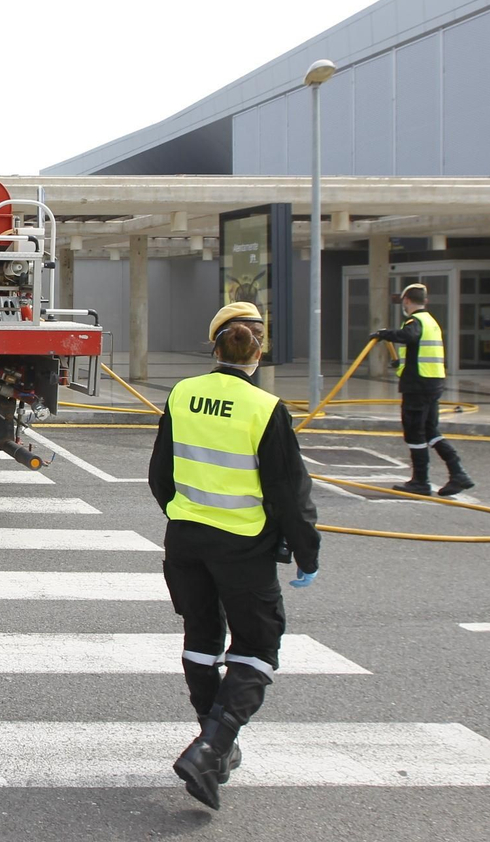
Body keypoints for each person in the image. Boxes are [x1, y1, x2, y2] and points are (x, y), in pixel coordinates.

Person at [148, 301, 321, 811]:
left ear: (213, 345)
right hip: (243, 547)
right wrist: (305, 553)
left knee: (201, 639)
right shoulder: (266, 409)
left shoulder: (182, 393)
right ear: (259, 349)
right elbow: (289, 493)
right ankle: (212, 747)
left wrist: (185, 513)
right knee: (257, 646)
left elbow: (161, 476)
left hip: (185, 540)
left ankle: (212, 743)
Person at [371, 283, 475, 497]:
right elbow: (417, 350)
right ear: (425, 301)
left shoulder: (415, 321)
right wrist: (400, 365)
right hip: (432, 383)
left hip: (418, 386)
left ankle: (420, 481)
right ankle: (458, 473)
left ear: (407, 301)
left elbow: (409, 335)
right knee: (430, 431)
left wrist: (385, 334)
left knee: (414, 431)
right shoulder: (432, 321)